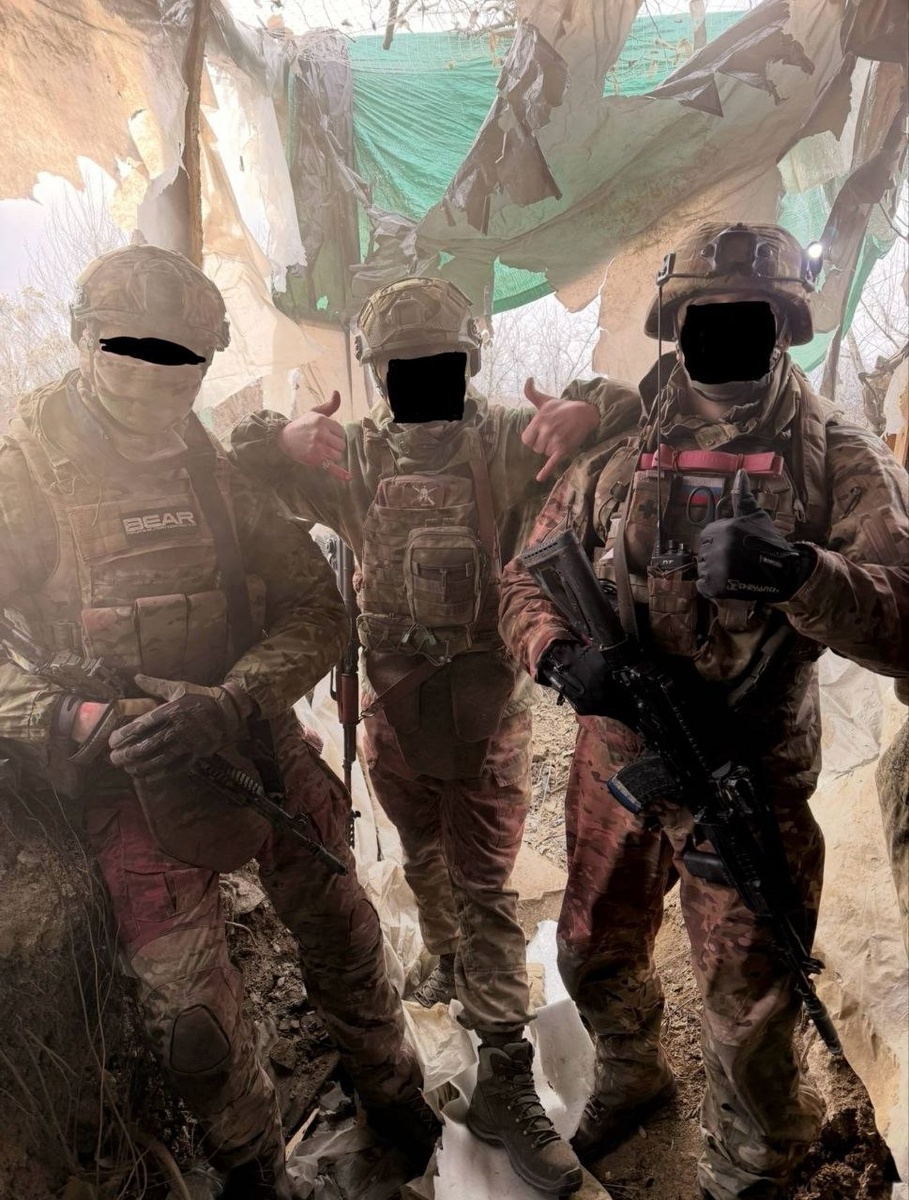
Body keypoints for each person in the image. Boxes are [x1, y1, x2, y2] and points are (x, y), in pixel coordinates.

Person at [0, 244, 440, 1200]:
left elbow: (318, 606)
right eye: (131, 352)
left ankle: (393, 1093)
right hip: (133, 777)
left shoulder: (210, 467)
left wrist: (236, 699)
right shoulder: (27, 475)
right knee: (192, 1023)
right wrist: (78, 717)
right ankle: (254, 1168)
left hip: (253, 745)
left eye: (181, 360)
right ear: (83, 340)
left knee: (347, 933)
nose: (156, 380)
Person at [498, 223, 909, 1200]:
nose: (721, 334)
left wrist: (803, 573)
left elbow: (903, 622)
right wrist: (558, 655)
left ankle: (749, 1172)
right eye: (702, 316)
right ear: (674, 323)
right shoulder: (615, 441)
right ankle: (630, 1075)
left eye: (747, 316)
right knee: (591, 951)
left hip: (745, 769)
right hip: (617, 759)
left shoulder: (837, 456)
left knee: (749, 1013)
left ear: (785, 323)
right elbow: (524, 578)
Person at [229, 275, 639, 1196]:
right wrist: (276, 436)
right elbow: (232, 467)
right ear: (377, 372)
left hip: (487, 713)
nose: (420, 382)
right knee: (423, 857)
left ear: (470, 360)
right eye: (401, 367)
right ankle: (444, 954)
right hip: (392, 712)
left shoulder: (507, 441)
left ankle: (502, 1075)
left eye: (440, 363)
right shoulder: (353, 455)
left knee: (485, 889)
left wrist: (592, 404)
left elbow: (629, 420)